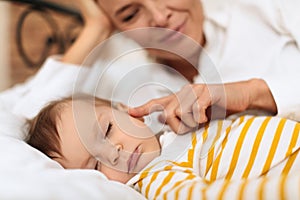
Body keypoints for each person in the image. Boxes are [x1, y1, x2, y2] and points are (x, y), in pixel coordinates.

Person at [42, 0, 300, 134]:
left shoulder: (267, 11)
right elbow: (32, 132)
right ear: (117, 29)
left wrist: (252, 93)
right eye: (130, 14)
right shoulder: (130, 96)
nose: (159, 17)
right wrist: (94, 27)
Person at [26, 94, 300, 199]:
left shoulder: (178, 127)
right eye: (96, 165)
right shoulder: (156, 178)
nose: (114, 152)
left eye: (107, 130)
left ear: (128, 110)